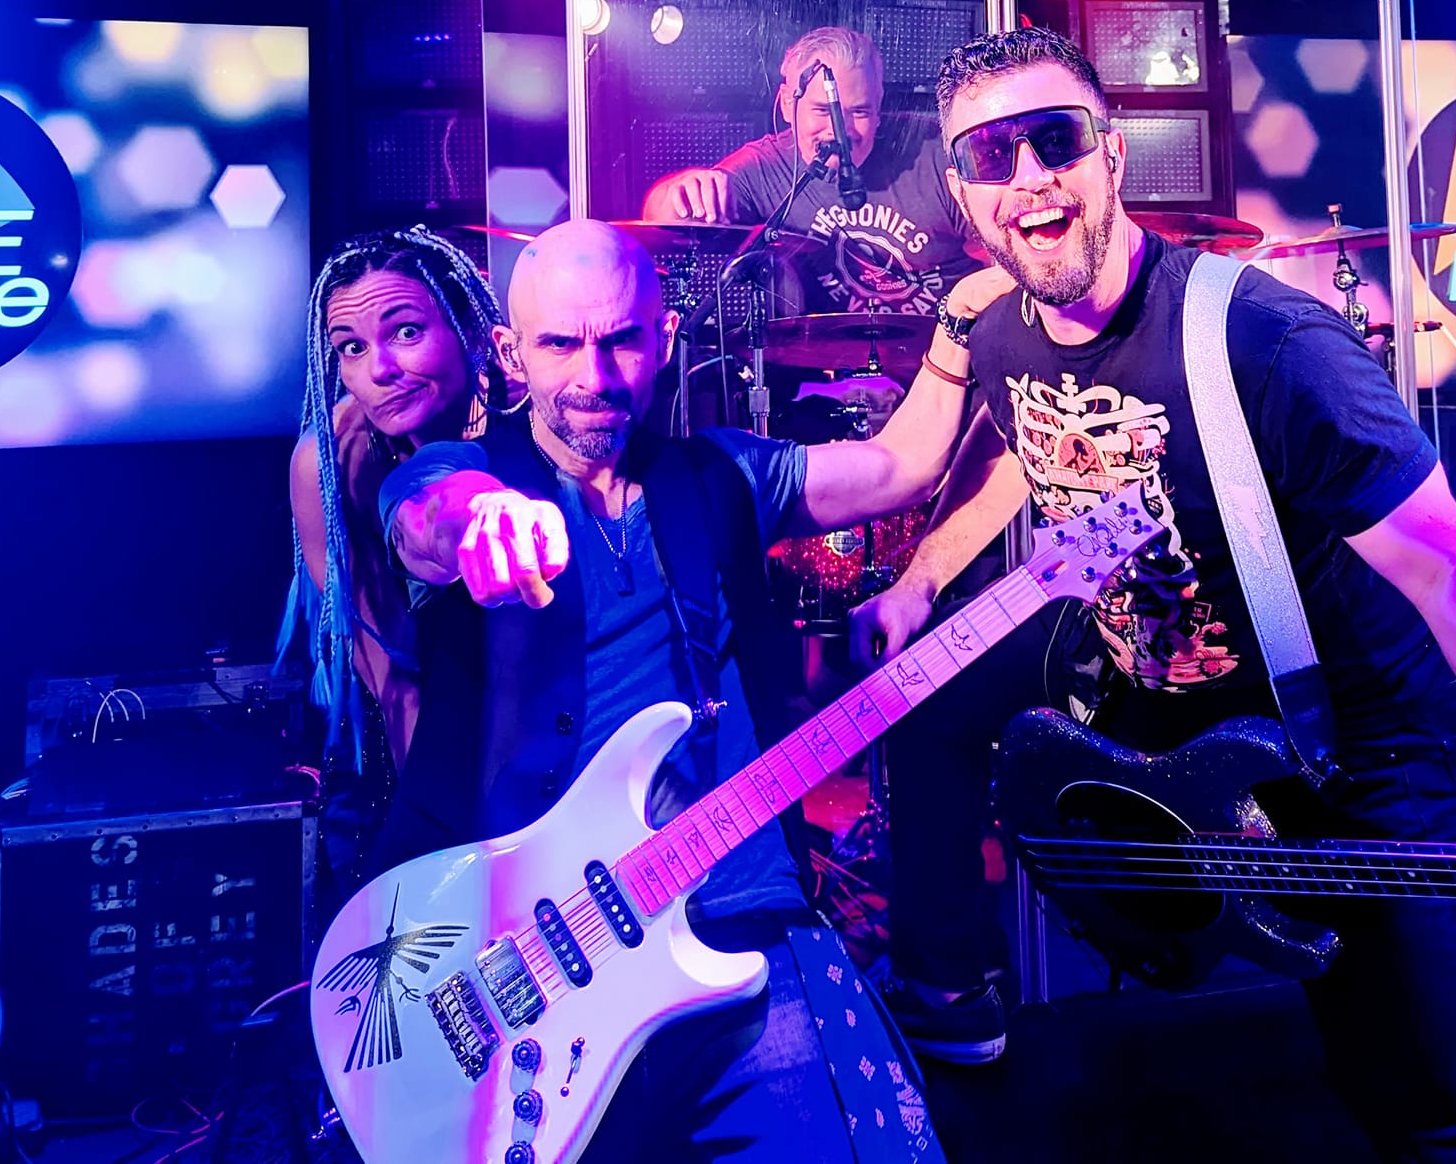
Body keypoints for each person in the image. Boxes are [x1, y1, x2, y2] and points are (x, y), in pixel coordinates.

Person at [852, 26, 1456, 1159]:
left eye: (1055, 140)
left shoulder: (1265, 340)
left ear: (1111, 154)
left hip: (1364, 754)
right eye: (991, 155)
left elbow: (1451, 566)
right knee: (928, 693)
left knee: (1428, 1116)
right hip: (1185, 703)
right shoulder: (997, 331)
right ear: (960, 193)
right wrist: (920, 577)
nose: (1028, 175)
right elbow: (1004, 456)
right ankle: (949, 991)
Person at [379, 218, 1010, 1161]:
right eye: (559, 344)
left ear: (667, 336)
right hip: (537, 951)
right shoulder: (465, 475)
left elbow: (901, 466)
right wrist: (477, 521)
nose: (594, 376)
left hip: (737, 915)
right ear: (510, 353)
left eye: (621, 340)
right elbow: (421, 517)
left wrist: (959, 320)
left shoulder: (720, 475)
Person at [277, 227, 510, 903]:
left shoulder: (529, 416)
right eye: (351, 347)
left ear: (469, 327)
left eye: (406, 332)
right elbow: (393, 684)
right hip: (413, 755)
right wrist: (452, 856)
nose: (378, 369)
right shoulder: (333, 460)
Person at [641, 26, 981, 317]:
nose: (839, 131)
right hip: (825, 366)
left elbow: (999, 257)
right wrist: (680, 191)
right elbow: (660, 220)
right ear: (787, 103)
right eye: (822, 110)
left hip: (943, 362)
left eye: (859, 112)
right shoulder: (766, 168)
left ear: (879, 107)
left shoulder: (933, 152)